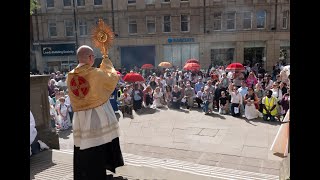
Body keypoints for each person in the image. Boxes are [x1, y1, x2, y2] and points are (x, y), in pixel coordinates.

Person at [66, 45, 124, 180]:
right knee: (98, 148)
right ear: (91, 57)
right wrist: (107, 61)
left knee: (84, 149)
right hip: (96, 119)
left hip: (80, 119)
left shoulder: (70, 76)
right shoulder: (95, 73)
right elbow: (111, 79)